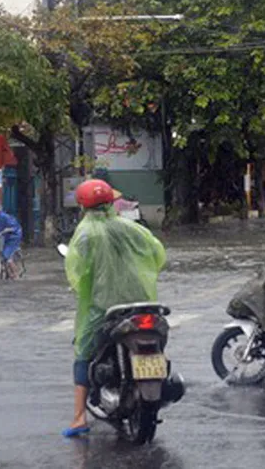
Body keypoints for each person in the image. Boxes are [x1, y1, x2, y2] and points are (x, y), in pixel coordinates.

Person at [62, 179, 168, 437]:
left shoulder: (85, 233)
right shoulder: (132, 228)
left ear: (83, 206)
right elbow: (158, 255)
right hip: (143, 303)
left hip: (103, 308)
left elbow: (76, 271)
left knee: (83, 351)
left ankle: (78, 417)